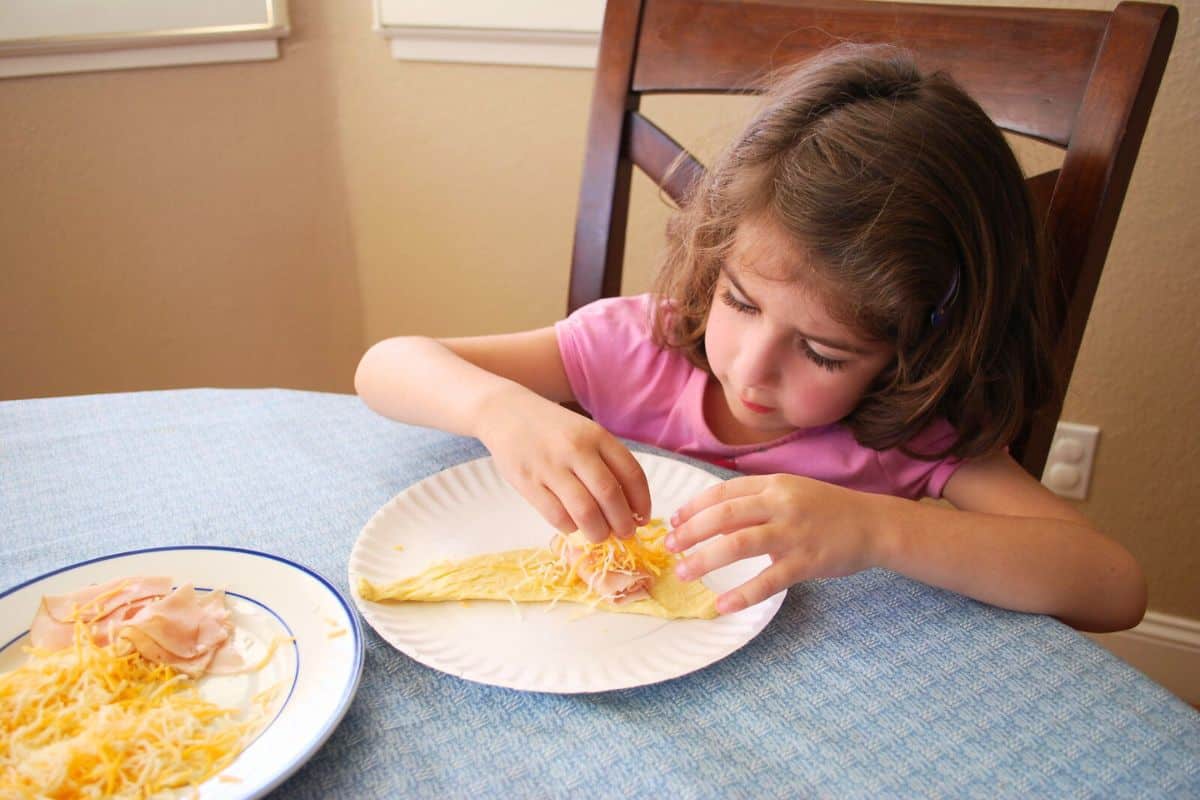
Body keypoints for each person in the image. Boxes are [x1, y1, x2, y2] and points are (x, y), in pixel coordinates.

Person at [355, 44, 1146, 633]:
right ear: (715, 256)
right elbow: (383, 367)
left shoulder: (911, 440)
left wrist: (878, 527)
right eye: (740, 301)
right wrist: (501, 409)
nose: (752, 368)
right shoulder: (637, 348)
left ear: (915, 351)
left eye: (824, 352)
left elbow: (1111, 588)